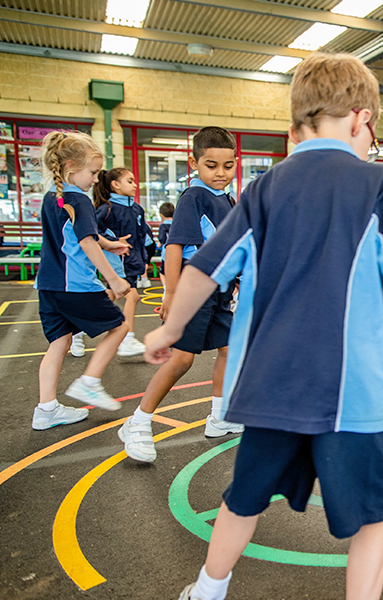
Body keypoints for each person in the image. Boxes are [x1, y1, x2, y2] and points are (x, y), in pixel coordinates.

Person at [143, 52, 383, 600]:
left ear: (297, 125)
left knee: (244, 496)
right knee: (378, 512)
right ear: (362, 117)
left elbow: (205, 268)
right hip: (353, 393)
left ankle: (208, 589)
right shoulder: (379, 185)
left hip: (271, 385)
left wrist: (168, 329)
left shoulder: (263, 189)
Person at [117, 126, 243, 462]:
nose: (220, 173)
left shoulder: (228, 200)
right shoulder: (194, 197)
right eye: (211, 165)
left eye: (228, 165)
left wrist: (239, 279)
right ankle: (138, 421)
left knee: (229, 350)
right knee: (182, 359)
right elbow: (175, 247)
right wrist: (171, 293)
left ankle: (219, 418)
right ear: (195, 163)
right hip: (194, 289)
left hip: (218, 292)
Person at [32, 131, 132, 430]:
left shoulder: (55, 198)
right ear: (72, 167)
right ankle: (89, 381)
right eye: (93, 172)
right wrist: (113, 279)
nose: (95, 178)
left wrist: (109, 243)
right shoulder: (79, 199)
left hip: (48, 284)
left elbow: (81, 236)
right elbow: (86, 242)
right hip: (74, 284)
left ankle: (46, 409)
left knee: (60, 342)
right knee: (120, 327)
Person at [75, 167, 152, 358]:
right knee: (132, 296)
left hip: (133, 262)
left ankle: (78, 328)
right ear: (115, 184)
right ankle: (127, 339)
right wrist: (113, 241)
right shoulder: (106, 209)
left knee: (109, 296)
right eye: (130, 181)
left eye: (135, 181)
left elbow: (144, 236)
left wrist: (145, 259)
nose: (135, 185)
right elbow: (93, 233)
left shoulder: (137, 209)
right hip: (116, 262)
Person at [156, 201, 174, 290]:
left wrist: (158, 245)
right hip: (178, 253)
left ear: (161, 215)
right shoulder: (176, 224)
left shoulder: (163, 226)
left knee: (163, 272)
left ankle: (166, 289)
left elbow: (161, 239)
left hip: (166, 253)